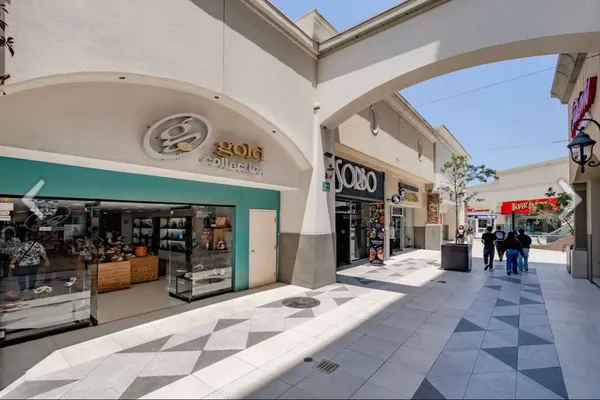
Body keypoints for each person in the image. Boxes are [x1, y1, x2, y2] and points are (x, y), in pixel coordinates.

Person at [9, 231, 50, 297]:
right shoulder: (38, 244)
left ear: (27, 237)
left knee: (21, 277)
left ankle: (23, 290)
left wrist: (12, 263)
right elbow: (43, 254)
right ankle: (31, 290)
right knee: (32, 277)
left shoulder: (22, 245)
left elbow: (16, 255)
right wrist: (47, 261)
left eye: (26, 236)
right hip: (35, 264)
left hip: (23, 265)